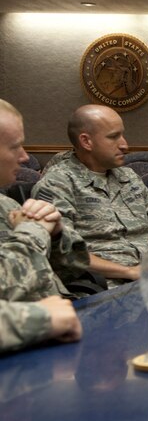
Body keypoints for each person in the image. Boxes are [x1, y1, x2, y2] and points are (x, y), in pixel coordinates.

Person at [32, 104, 148, 287]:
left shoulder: (129, 177)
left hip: (145, 280)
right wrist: (130, 272)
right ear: (86, 142)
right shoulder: (57, 184)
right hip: (98, 286)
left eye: (122, 135)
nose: (125, 145)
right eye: (114, 137)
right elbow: (64, 252)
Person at [0, 99, 83, 351]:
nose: (25, 157)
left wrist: (57, 235)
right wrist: (34, 231)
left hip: (55, 341)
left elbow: (77, 270)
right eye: (15, 147)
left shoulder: (5, 205)